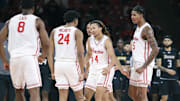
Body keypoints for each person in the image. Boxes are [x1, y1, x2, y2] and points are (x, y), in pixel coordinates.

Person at [0, 0, 50, 101]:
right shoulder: (37, 20)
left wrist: (5, 60)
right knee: (34, 91)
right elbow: (46, 43)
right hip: (29, 58)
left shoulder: (11, 21)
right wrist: (43, 56)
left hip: (14, 58)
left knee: (18, 90)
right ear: (33, 8)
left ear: (20, 8)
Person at [48, 10, 84, 101]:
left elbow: (50, 53)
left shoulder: (54, 31)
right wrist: (82, 71)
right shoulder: (77, 32)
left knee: (62, 96)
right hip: (71, 63)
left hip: (58, 64)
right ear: (76, 21)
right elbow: (80, 53)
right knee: (79, 95)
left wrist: (52, 71)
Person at [85, 20, 122, 101]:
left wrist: (108, 68)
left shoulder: (106, 40)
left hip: (105, 70)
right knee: (87, 96)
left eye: (93, 28)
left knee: (99, 97)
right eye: (90, 28)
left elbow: (113, 57)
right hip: (93, 70)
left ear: (100, 28)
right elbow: (88, 55)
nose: (91, 30)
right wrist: (83, 69)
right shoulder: (89, 40)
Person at [128, 5, 159, 101]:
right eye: (131, 15)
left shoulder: (146, 29)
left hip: (144, 64)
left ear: (141, 15)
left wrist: (144, 67)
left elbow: (155, 49)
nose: (132, 17)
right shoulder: (137, 28)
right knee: (132, 94)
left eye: (134, 15)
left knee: (142, 95)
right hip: (136, 63)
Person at [156, 35, 180, 101]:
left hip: (174, 78)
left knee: (177, 97)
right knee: (164, 98)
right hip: (164, 78)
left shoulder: (175, 51)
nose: (166, 42)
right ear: (163, 42)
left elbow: (178, 65)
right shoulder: (160, 51)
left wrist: (179, 78)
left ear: (171, 42)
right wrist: (167, 70)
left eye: (168, 40)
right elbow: (158, 65)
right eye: (165, 41)